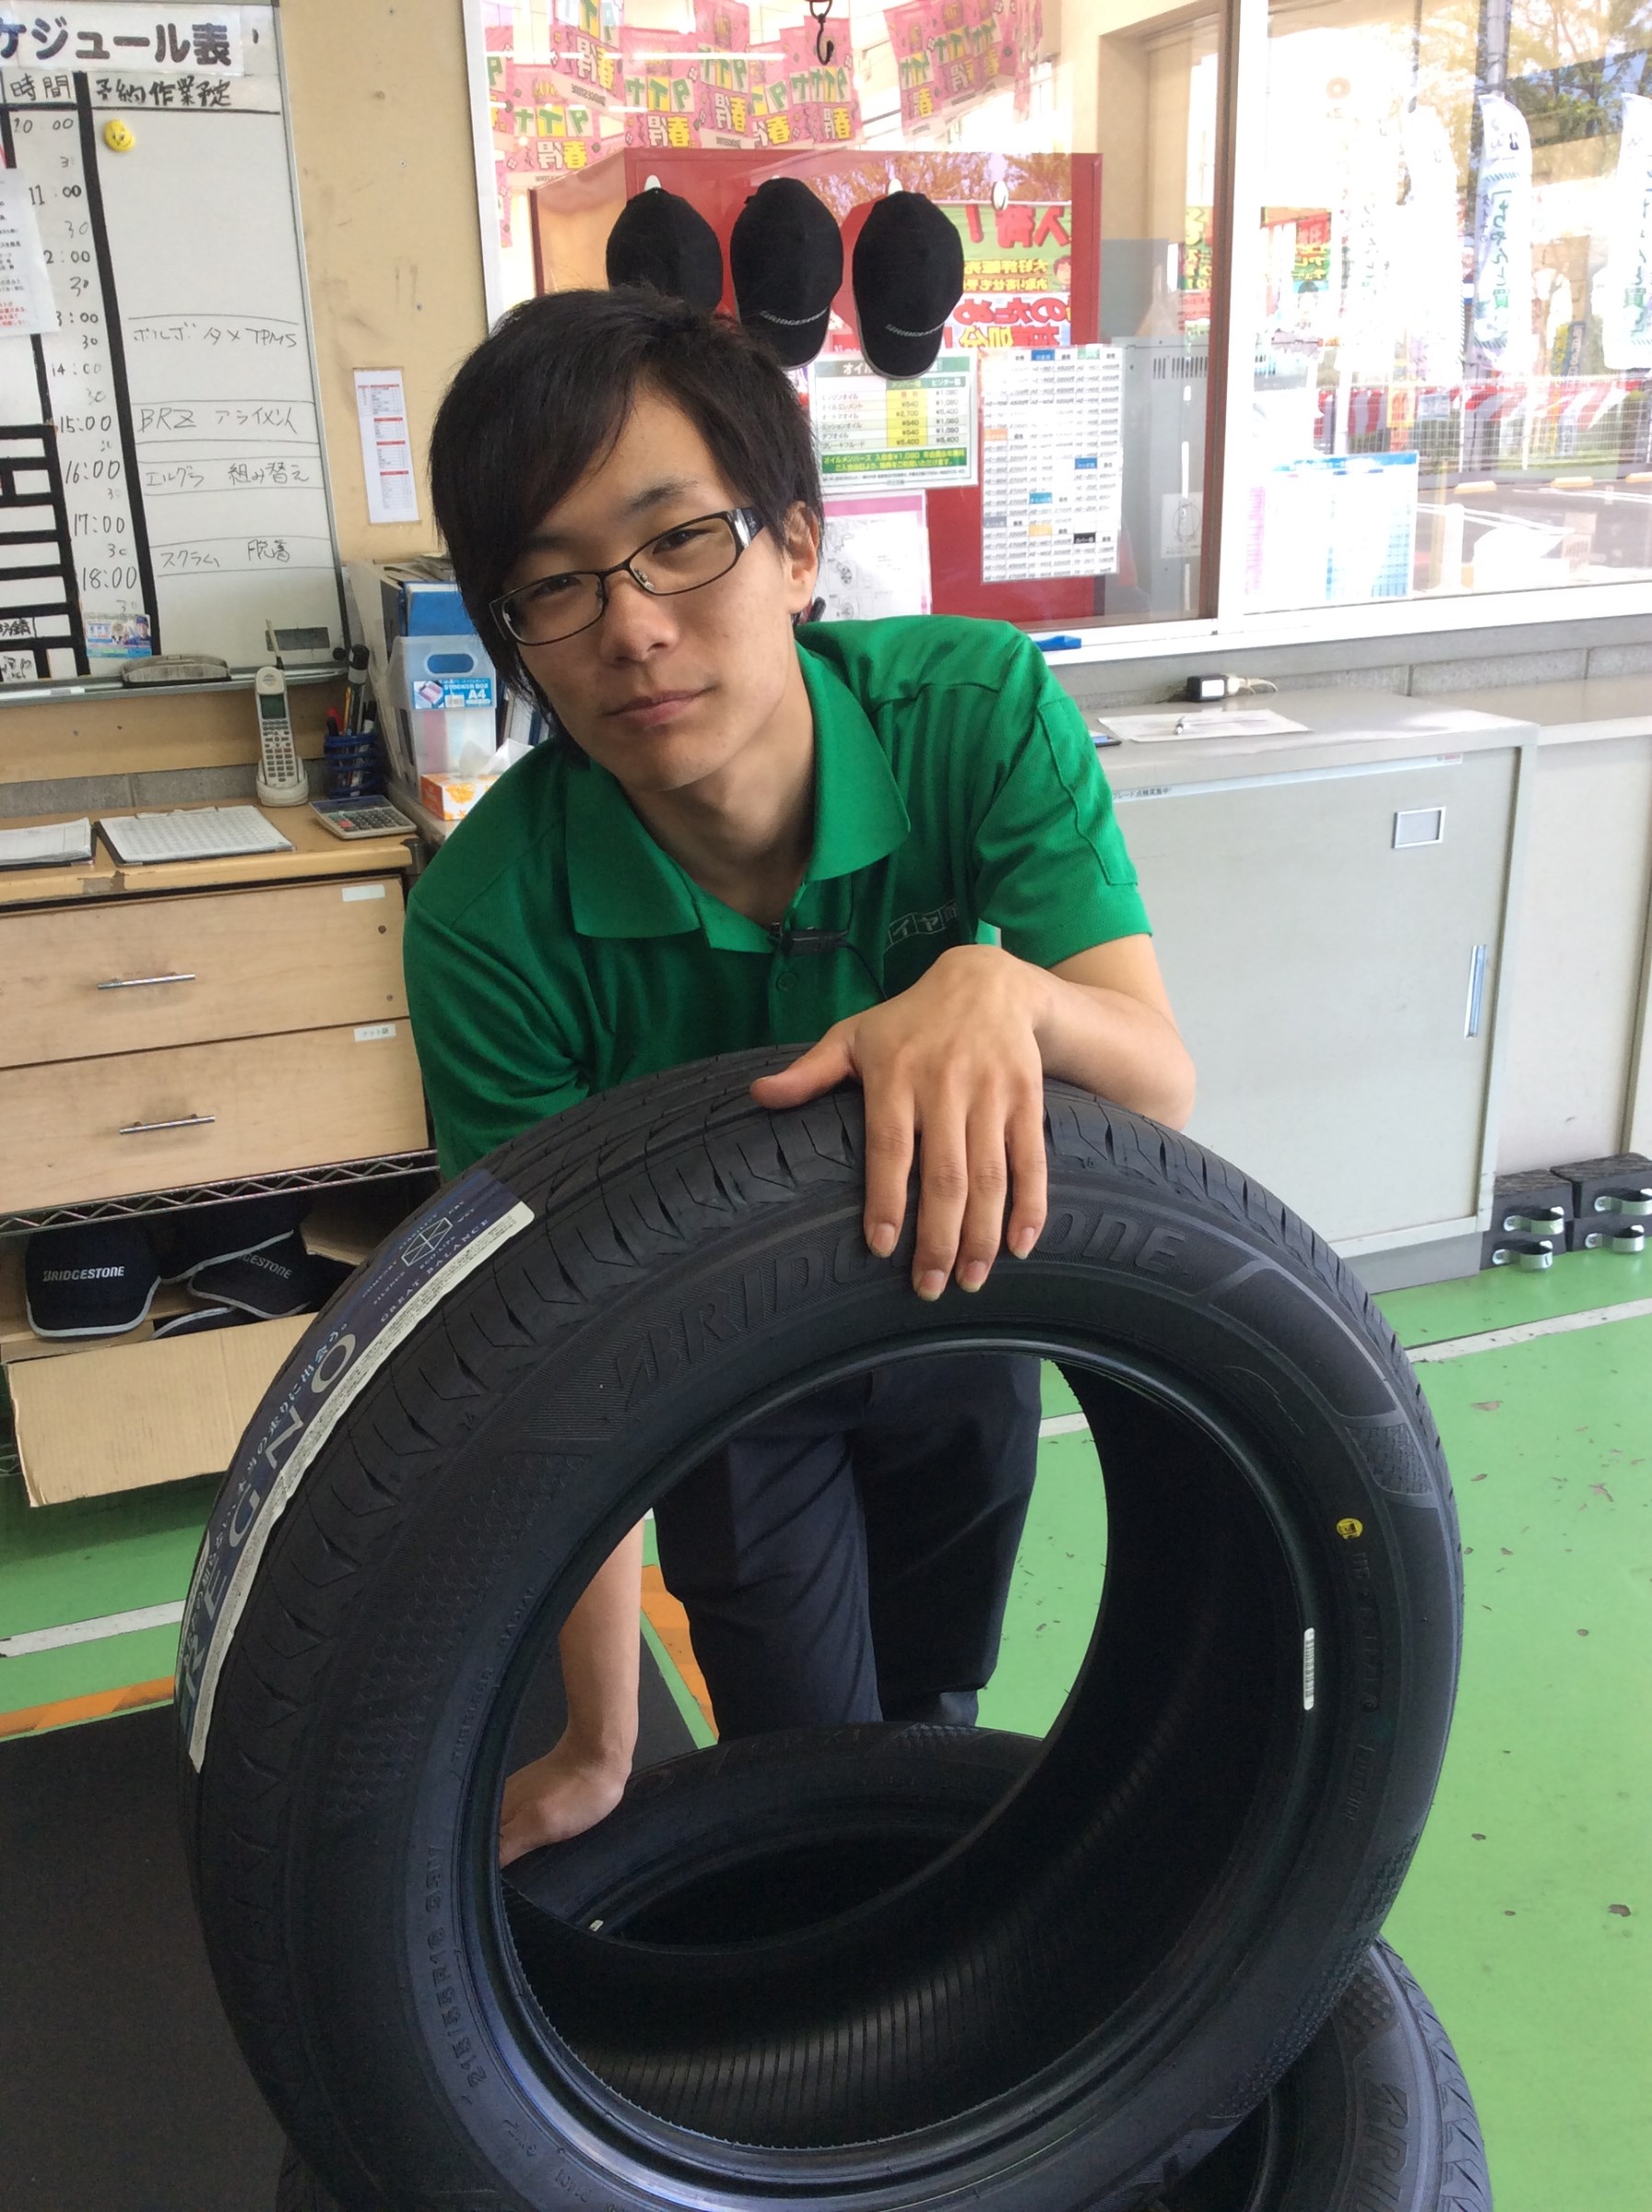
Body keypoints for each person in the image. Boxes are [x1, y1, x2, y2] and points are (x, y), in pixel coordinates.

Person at [405, 288, 1196, 1866]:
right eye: (552, 585)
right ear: (511, 638)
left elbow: (1157, 1084)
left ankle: (941, 1940)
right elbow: (551, 1357)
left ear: (796, 548)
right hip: (717, 1374)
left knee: (938, 1706)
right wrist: (601, 1737)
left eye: (679, 540)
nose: (632, 626)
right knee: (801, 1754)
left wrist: (998, 989)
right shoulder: (489, 923)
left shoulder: (974, 712)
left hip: (962, 1281)